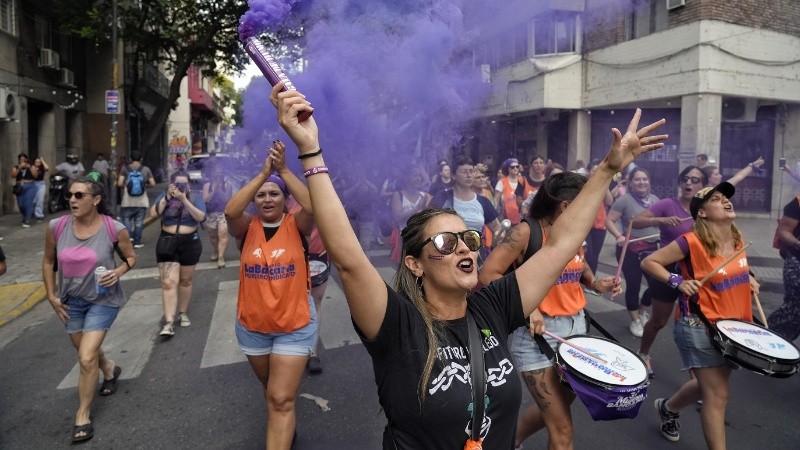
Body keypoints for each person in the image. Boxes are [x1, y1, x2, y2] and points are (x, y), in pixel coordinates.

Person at [270, 83, 666, 449]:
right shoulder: (397, 325)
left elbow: (560, 244)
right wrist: (310, 151)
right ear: (416, 264)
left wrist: (608, 169)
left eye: (469, 239)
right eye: (445, 241)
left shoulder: (492, 307)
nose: (465, 247)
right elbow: (350, 260)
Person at [479, 172, 621, 449]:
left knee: (559, 407)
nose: (594, 212)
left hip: (576, 331)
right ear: (566, 207)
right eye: (588, 204)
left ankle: (511, 440)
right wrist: (526, 305)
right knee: (563, 430)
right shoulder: (524, 232)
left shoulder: (573, 231)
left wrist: (594, 282)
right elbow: (487, 274)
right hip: (537, 337)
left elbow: (576, 262)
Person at [642, 182, 758, 448]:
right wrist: (677, 281)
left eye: (726, 198)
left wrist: (750, 278)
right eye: (716, 199)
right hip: (699, 325)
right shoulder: (690, 242)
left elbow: (732, 269)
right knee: (717, 394)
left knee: (709, 386)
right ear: (702, 213)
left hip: (735, 327)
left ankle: (668, 408)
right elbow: (649, 262)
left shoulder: (737, 238)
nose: (726, 201)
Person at [224, 140, 316, 449]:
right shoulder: (246, 227)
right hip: (253, 326)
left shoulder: (296, 224)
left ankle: (282, 419)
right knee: (271, 389)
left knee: (279, 397)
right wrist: (263, 175)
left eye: (274, 193)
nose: (266, 199)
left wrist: (283, 171)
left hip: (296, 323)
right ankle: (284, 422)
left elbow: (313, 206)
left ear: (285, 200)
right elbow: (230, 210)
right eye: (261, 195)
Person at [41, 176, 136, 443]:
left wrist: (117, 272)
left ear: (96, 200)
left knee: (85, 358)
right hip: (71, 301)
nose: (72, 199)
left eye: (80, 195)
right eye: (71, 195)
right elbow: (48, 261)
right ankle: (109, 368)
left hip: (103, 300)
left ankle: (82, 415)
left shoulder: (113, 228)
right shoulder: (56, 227)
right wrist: (50, 295)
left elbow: (130, 258)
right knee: (86, 351)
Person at [632, 166, 708, 377]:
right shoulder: (668, 204)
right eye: (685, 179)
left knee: (695, 323)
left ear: (704, 185)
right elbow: (635, 222)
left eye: (695, 180)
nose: (689, 184)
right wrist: (659, 220)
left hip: (695, 272)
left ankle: (697, 377)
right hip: (666, 270)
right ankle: (643, 353)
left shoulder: (707, 210)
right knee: (659, 320)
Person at [605, 167, 660, 337]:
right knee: (634, 286)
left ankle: (643, 311)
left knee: (657, 285)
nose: (641, 182)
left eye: (644, 179)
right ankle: (635, 320)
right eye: (637, 179)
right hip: (629, 251)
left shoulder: (655, 200)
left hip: (652, 250)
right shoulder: (624, 200)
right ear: (630, 183)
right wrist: (619, 236)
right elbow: (609, 220)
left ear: (649, 182)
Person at [150, 170, 206, 337]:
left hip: (190, 242)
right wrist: (168, 197)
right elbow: (153, 214)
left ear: (189, 184)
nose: (182, 186)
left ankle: (182, 312)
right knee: (168, 282)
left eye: (184, 183)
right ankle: (168, 322)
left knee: (185, 280)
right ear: (172, 184)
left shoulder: (195, 197)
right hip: (167, 242)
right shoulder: (165, 196)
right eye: (178, 184)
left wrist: (183, 199)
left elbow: (200, 217)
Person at [430, 156, 504, 264]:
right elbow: (426, 226)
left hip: (473, 258)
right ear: (454, 175)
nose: (469, 175)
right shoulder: (442, 198)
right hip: (447, 258)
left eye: (471, 171)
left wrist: (500, 237)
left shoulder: (483, 202)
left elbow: (497, 229)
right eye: (464, 172)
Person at [768, 194, 800, 342]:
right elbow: (784, 231)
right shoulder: (796, 204)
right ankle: (769, 336)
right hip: (797, 262)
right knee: (795, 310)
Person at [390, 165, 431, 263]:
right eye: (415, 176)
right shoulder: (398, 195)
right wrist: (417, 207)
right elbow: (398, 216)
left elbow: (430, 218)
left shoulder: (425, 196)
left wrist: (425, 207)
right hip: (404, 240)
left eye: (420, 176)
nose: (418, 179)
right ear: (406, 177)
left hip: (422, 239)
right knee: (404, 271)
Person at [118, 152, 156, 249]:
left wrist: (127, 186)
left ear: (130, 159)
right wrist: (144, 185)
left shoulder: (125, 169)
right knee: (139, 222)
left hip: (127, 200)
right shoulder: (146, 169)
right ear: (141, 159)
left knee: (126, 220)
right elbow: (152, 183)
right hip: (141, 201)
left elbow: (119, 183)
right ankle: (137, 242)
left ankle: (129, 238)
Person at [583, 161, 614, 278]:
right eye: (594, 170)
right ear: (588, 172)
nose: (597, 173)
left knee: (595, 256)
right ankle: (584, 279)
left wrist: (604, 183)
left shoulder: (604, 186)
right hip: (584, 226)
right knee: (588, 255)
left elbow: (609, 202)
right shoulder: (582, 185)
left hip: (600, 225)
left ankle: (591, 281)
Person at [202, 163, 233, 268]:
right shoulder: (207, 186)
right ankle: (216, 250)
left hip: (223, 213)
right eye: (217, 173)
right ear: (213, 173)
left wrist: (219, 190)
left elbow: (227, 200)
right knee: (213, 235)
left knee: (223, 234)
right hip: (211, 213)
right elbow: (206, 200)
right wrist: (213, 190)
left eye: (221, 172)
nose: (219, 175)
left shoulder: (227, 185)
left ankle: (221, 257)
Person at [11, 153, 39, 227]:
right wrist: (19, 168)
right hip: (19, 187)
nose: (23, 161)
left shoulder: (31, 166)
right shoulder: (16, 167)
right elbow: (13, 175)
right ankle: (25, 216)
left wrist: (29, 167)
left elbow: (35, 175)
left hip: (30, 186)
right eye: (21, 159)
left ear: (27, 159)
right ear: (19, 160)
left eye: (24, 159)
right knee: (21, 205)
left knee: (28, 203)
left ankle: (27, 220)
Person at [495, 158, 526, 225]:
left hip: (521, 218)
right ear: (508, 169)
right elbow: (496, 201)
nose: (515, 168)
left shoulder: (523, 181)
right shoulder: (501, 182)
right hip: (505, 219)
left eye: (517, 167)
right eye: (512, 167)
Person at [32, 156, 49, 221]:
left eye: (39, 162)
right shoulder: (32, 168)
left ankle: (39, 214)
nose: (38, 163)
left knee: (40, 199)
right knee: (33, 201)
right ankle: (32, 212)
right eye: (36, 162)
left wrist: (42, 160)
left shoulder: (42, 168)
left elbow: (47, 168)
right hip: (33, 184)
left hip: (41, 184)